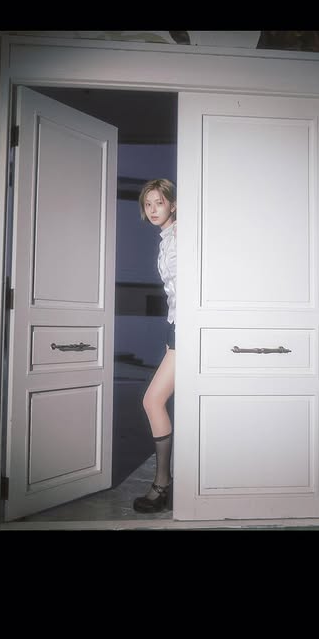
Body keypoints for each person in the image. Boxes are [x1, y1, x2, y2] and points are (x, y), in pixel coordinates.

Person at [133, 178, 177, 513]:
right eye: (148, 204)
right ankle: (170, 483)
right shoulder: (167, 238)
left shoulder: (182, 236)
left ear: (173, 204)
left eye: (159, 202)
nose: (152, 209)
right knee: (172, 403)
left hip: (188, 328)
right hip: (177, 327)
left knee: (152, 400)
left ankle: (162, 485)